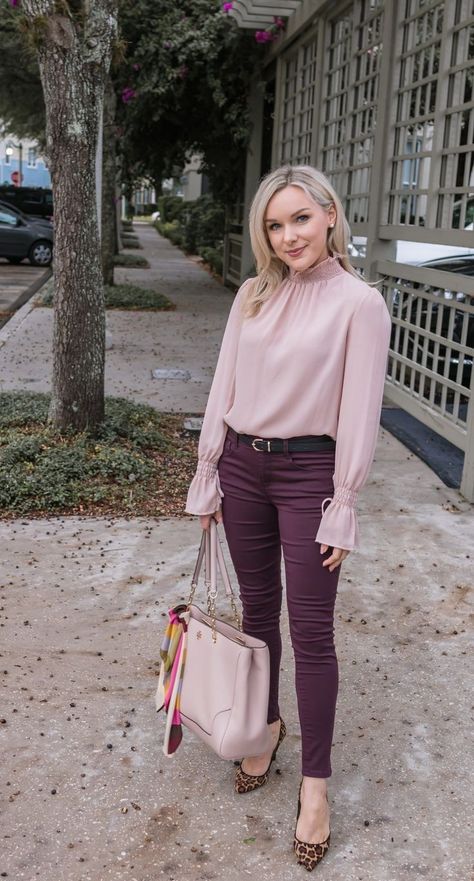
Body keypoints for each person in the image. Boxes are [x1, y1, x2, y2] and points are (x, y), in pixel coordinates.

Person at [185, 164, 391, 871]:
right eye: (275, 225)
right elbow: (223, 386)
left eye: (300, 218)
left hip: (310, 476)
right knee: (256, 616)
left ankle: (315, 789)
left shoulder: (360, 305)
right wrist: (209, 470)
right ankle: (265, 728)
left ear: (330, 215)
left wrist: (343, 503)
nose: (288, 235)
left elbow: (360, 410)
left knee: (312, 632)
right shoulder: (254, 291)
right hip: (242, 465)